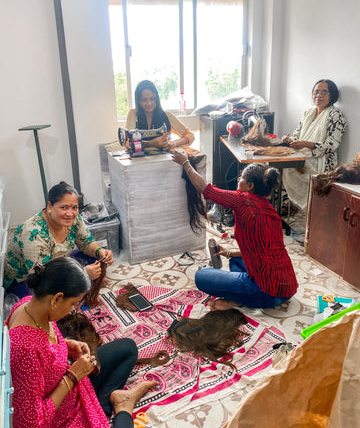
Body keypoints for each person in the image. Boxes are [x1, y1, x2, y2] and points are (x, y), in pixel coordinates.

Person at [5, 256, 157, 428]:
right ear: (56, 299)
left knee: (127, 348)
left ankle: (107, 402)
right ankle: (123, 408)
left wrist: (66, 344)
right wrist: (72, 377)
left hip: (72, 388)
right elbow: (31, 424)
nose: (72, 310)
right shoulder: (26, 350)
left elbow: (46, 343)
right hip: (61, 416)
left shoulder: (29, 305)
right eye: (73, 304)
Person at [172, 151, 298, 309]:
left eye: (242, 178)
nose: (238, 180)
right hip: (288, 288)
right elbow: (263, 251)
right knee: (235, 260)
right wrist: (229, 253)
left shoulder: (243, 200)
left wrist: (185, 163)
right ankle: (244, 294)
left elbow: (205, 189)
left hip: (267, 293)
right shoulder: (270, 211)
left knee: (201, 277)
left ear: (250, 186)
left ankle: (238, 301)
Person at [5, 181, 114, 298]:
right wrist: (82, 274)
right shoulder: (34, 234)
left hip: (57, 263)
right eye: (64, 207)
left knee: (95, 258)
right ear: (49, 207)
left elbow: (86, 242)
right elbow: (41, 278)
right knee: (43, 300)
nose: (70, 213)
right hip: (26, 279)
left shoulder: (74, 219)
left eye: (74, 207)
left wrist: (100, 251)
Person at [282, 79, 348, 210]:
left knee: (286, 167)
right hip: (303, 156)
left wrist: (307, 144)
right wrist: (290, 139)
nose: (319, 95)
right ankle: (290, 209)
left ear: (332, 95)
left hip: (321, 162)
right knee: (282, 166)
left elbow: (331, 145)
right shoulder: (309, 112)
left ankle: (301, 211)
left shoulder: (336, 116)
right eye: (316, 92)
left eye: (324, 92)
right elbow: (298, 133)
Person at [126, 79, 195, 150]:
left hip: (163, 157)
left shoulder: (167, 115)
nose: (149, 103)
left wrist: (174, 143)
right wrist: (150, 144)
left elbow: (191, 135)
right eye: (144, 100)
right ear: (138, 101)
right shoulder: (133, 114)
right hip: (139, 159)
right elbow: (128, 142)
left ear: (157, 99)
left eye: (152, 99)